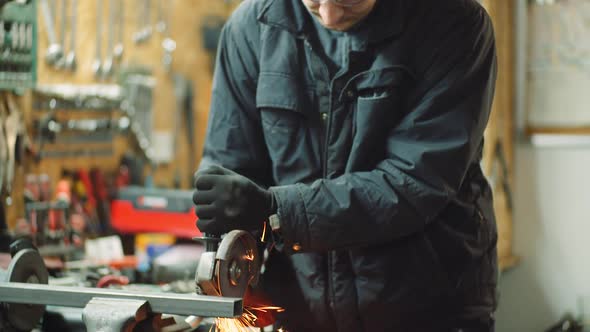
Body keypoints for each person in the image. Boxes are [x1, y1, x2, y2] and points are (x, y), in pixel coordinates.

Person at [192, 0, 498, 331]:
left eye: (347, 1)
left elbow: (414, 183)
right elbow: (234, 168)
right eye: (314, 2)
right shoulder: (253, 27)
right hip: (300, 310)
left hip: (427, 309)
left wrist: (277, 210)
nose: (329, 15)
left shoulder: (454, 24)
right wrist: (229, 228)